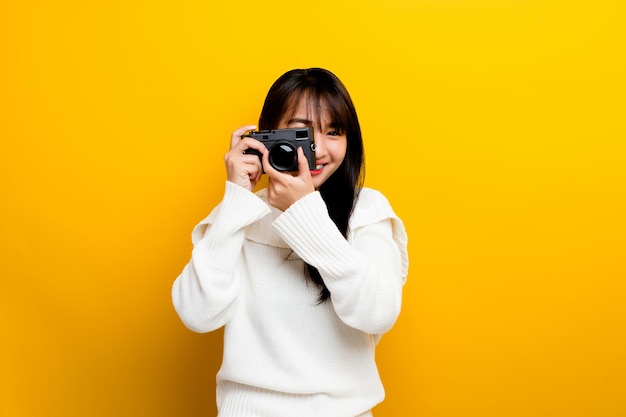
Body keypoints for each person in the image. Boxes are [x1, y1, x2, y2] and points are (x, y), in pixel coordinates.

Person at [172, 68, 409, 417]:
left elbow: (377, 312)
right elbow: (197, 313)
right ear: (268, 134)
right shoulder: (242, 212)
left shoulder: (368, 210)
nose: (316, 149)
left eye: (334, 132)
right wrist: (237, 197)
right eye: (303, 132)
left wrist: (305, 213)